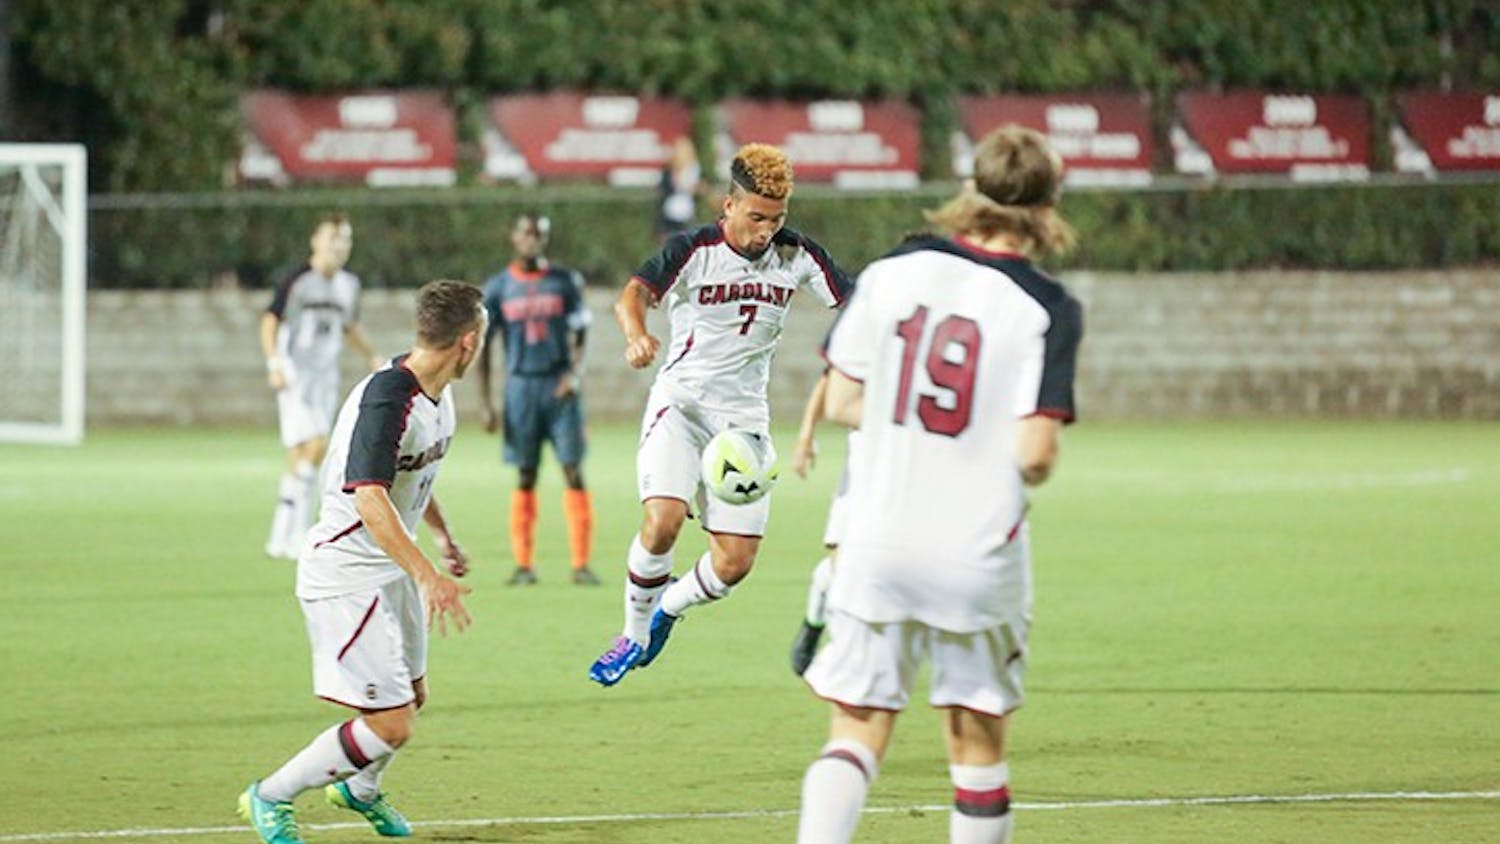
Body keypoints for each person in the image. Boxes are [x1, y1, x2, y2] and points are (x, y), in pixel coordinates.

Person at [795, 125, 1083, 844]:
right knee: (976, 747)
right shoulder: (1049, 306)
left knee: (856, 730)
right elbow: (1036, 456)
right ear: (1049, 206)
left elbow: (840, 403)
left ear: (970, 190)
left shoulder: (896, 269)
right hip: (976, 551)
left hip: (877, 537)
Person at [587, 142, 853, 687]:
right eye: (756, 216)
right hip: (681, 405)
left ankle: (668, 610)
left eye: (776, 219)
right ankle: (633, 634)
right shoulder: (693, 248)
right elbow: (632, 295)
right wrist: (637, 335)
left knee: (733, 564)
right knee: (661, 522)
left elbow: (858, 302)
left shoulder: (797, 254)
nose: (766, 231)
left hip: (743, 423)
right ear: (728, 206)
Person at [239, 280, 485, 844]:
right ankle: (270, 795)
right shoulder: (388, 399)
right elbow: (370, 497)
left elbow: (414, 476)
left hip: (390, 567)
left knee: (411, 696)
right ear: (468, 342)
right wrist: (430, 577)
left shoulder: (436, 393)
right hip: (347, 575)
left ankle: (359, 789)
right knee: (392, 722)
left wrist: (443, 538)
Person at [477, 212, 599, 587]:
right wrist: (486, 401)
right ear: (514, 238)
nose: (532, 240)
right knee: (526, 474)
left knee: (572, 470)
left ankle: (580, 563)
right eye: (526, 233)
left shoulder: (565, 282)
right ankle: (524, 564)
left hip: (558, 387)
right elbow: (484, 346)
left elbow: (582, 332)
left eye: (538, 234)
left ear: (544, 238)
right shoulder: (498, 288)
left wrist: (574, 375)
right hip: (521, 388)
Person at [261, 213, 383, 560]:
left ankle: (279, 536)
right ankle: (300, 533)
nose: (339, 246)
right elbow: (270, 321)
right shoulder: (297, 281)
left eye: (345, 239)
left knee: (300, 453)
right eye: (332, 238)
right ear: (315, 241)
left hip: (325, 377)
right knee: (316, 445)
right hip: (296, 373)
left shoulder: (349, 285)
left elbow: (349, 326)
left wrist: (372, 357)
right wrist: (274, 365)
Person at [655, 136, 704, 242]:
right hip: (670, 212)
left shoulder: (693, 169)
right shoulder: (668, 170)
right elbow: (666, 190)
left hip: (685, 212)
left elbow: (693, 188)